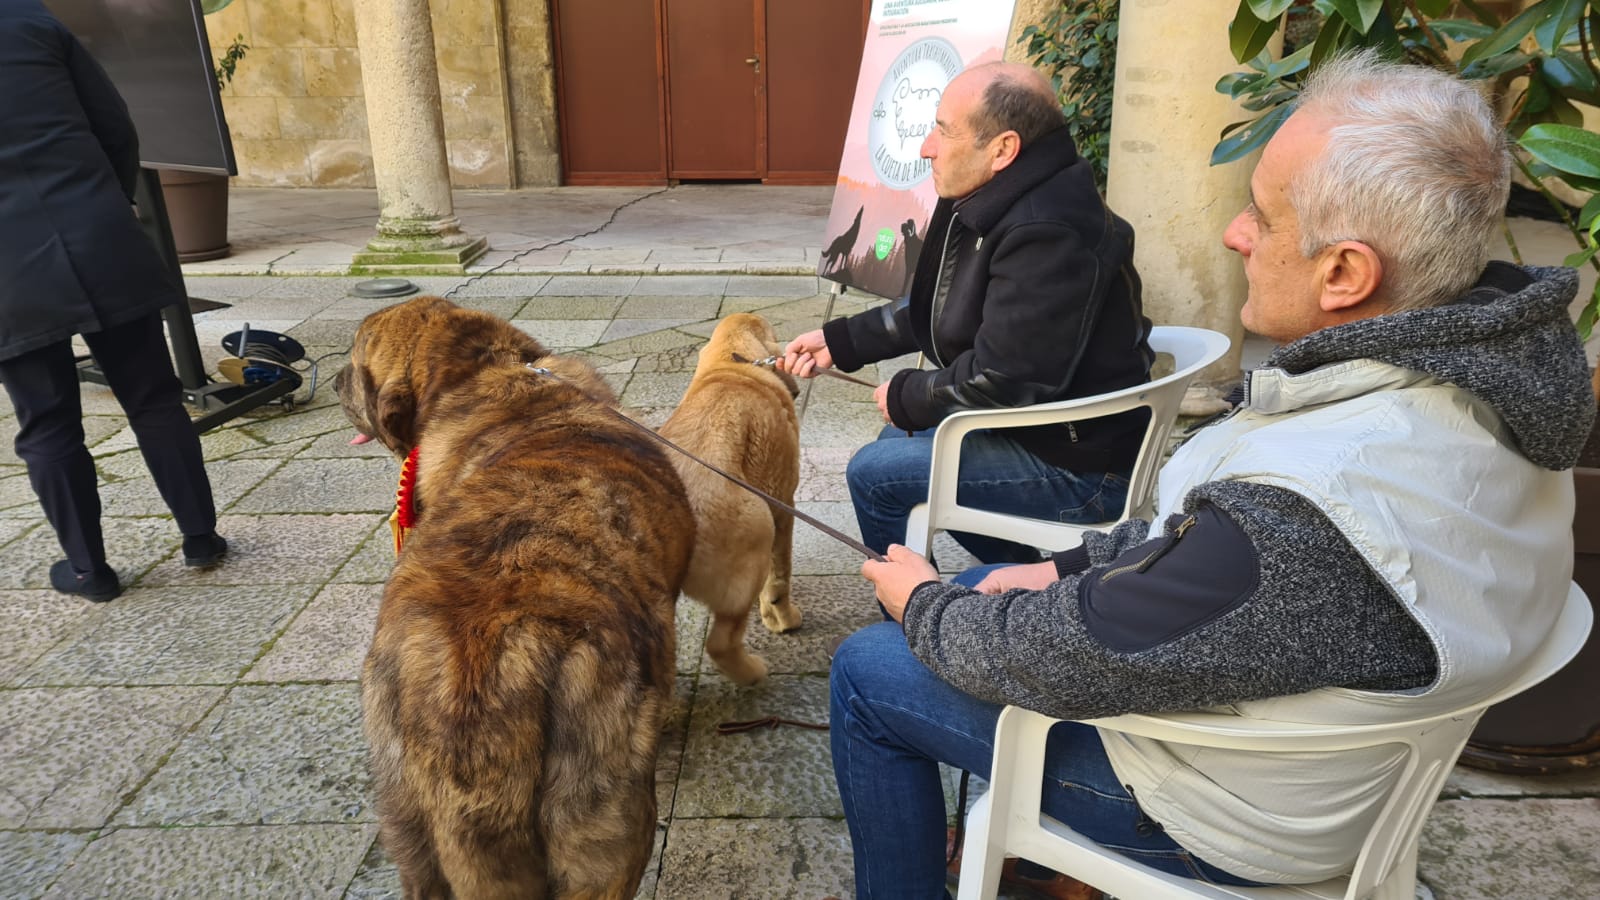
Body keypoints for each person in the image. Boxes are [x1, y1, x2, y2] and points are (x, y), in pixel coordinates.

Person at [827, 51, 1594, 899]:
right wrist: (1061, 566)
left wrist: (928, 604)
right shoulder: (1490, 380)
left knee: (870, 669)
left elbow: (1077, 656)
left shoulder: (1304, 509)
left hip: (1229, 813)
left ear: (1344, 272)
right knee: (973, 581)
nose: (1234, 232)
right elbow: (1188, 557)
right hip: (1327, 758)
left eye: (1261, 217)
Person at [782, 61, 1152, 565]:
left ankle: (918, 618)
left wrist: (912, 394)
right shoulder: (992, 195)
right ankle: (1021, 586)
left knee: (876, 471)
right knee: (898, 441)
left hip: (1082, 466)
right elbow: (943, 299)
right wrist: (842, 341)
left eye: (943, 131)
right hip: (1040, 429)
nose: (925, 147)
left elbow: (1006, 376)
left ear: (1002, 149)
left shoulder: (1047, 231)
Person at [0, 1, 227, 603]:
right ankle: (201, 537)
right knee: (154, 396)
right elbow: (115, 125)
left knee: (46, 423)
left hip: (7, 273)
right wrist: (109, 198)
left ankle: (88, 572)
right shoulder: (30, 20)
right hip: (98, 235)